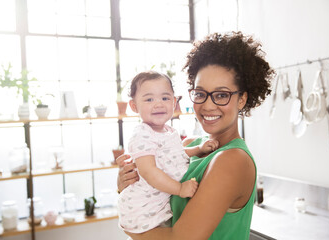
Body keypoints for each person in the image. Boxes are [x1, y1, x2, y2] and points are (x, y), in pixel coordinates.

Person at [117, 31, 274, 240]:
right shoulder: (190, 145)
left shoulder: (233, 160)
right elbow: (157, 195)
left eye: (221, 95)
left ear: (242, 99)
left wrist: (130, 228)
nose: (208, 105)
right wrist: (128, 184)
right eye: (200, 94)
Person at [118, 71, 219, 234]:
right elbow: (149, 171)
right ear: (134, 106)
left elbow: (174, 156)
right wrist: (179, 189)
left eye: (165, 98)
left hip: (159, 207)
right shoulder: (142, 135)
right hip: (144, 211)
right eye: (149, 99)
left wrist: (198, 149)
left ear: (174, 102)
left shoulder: (168, 131)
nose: (158, 104)